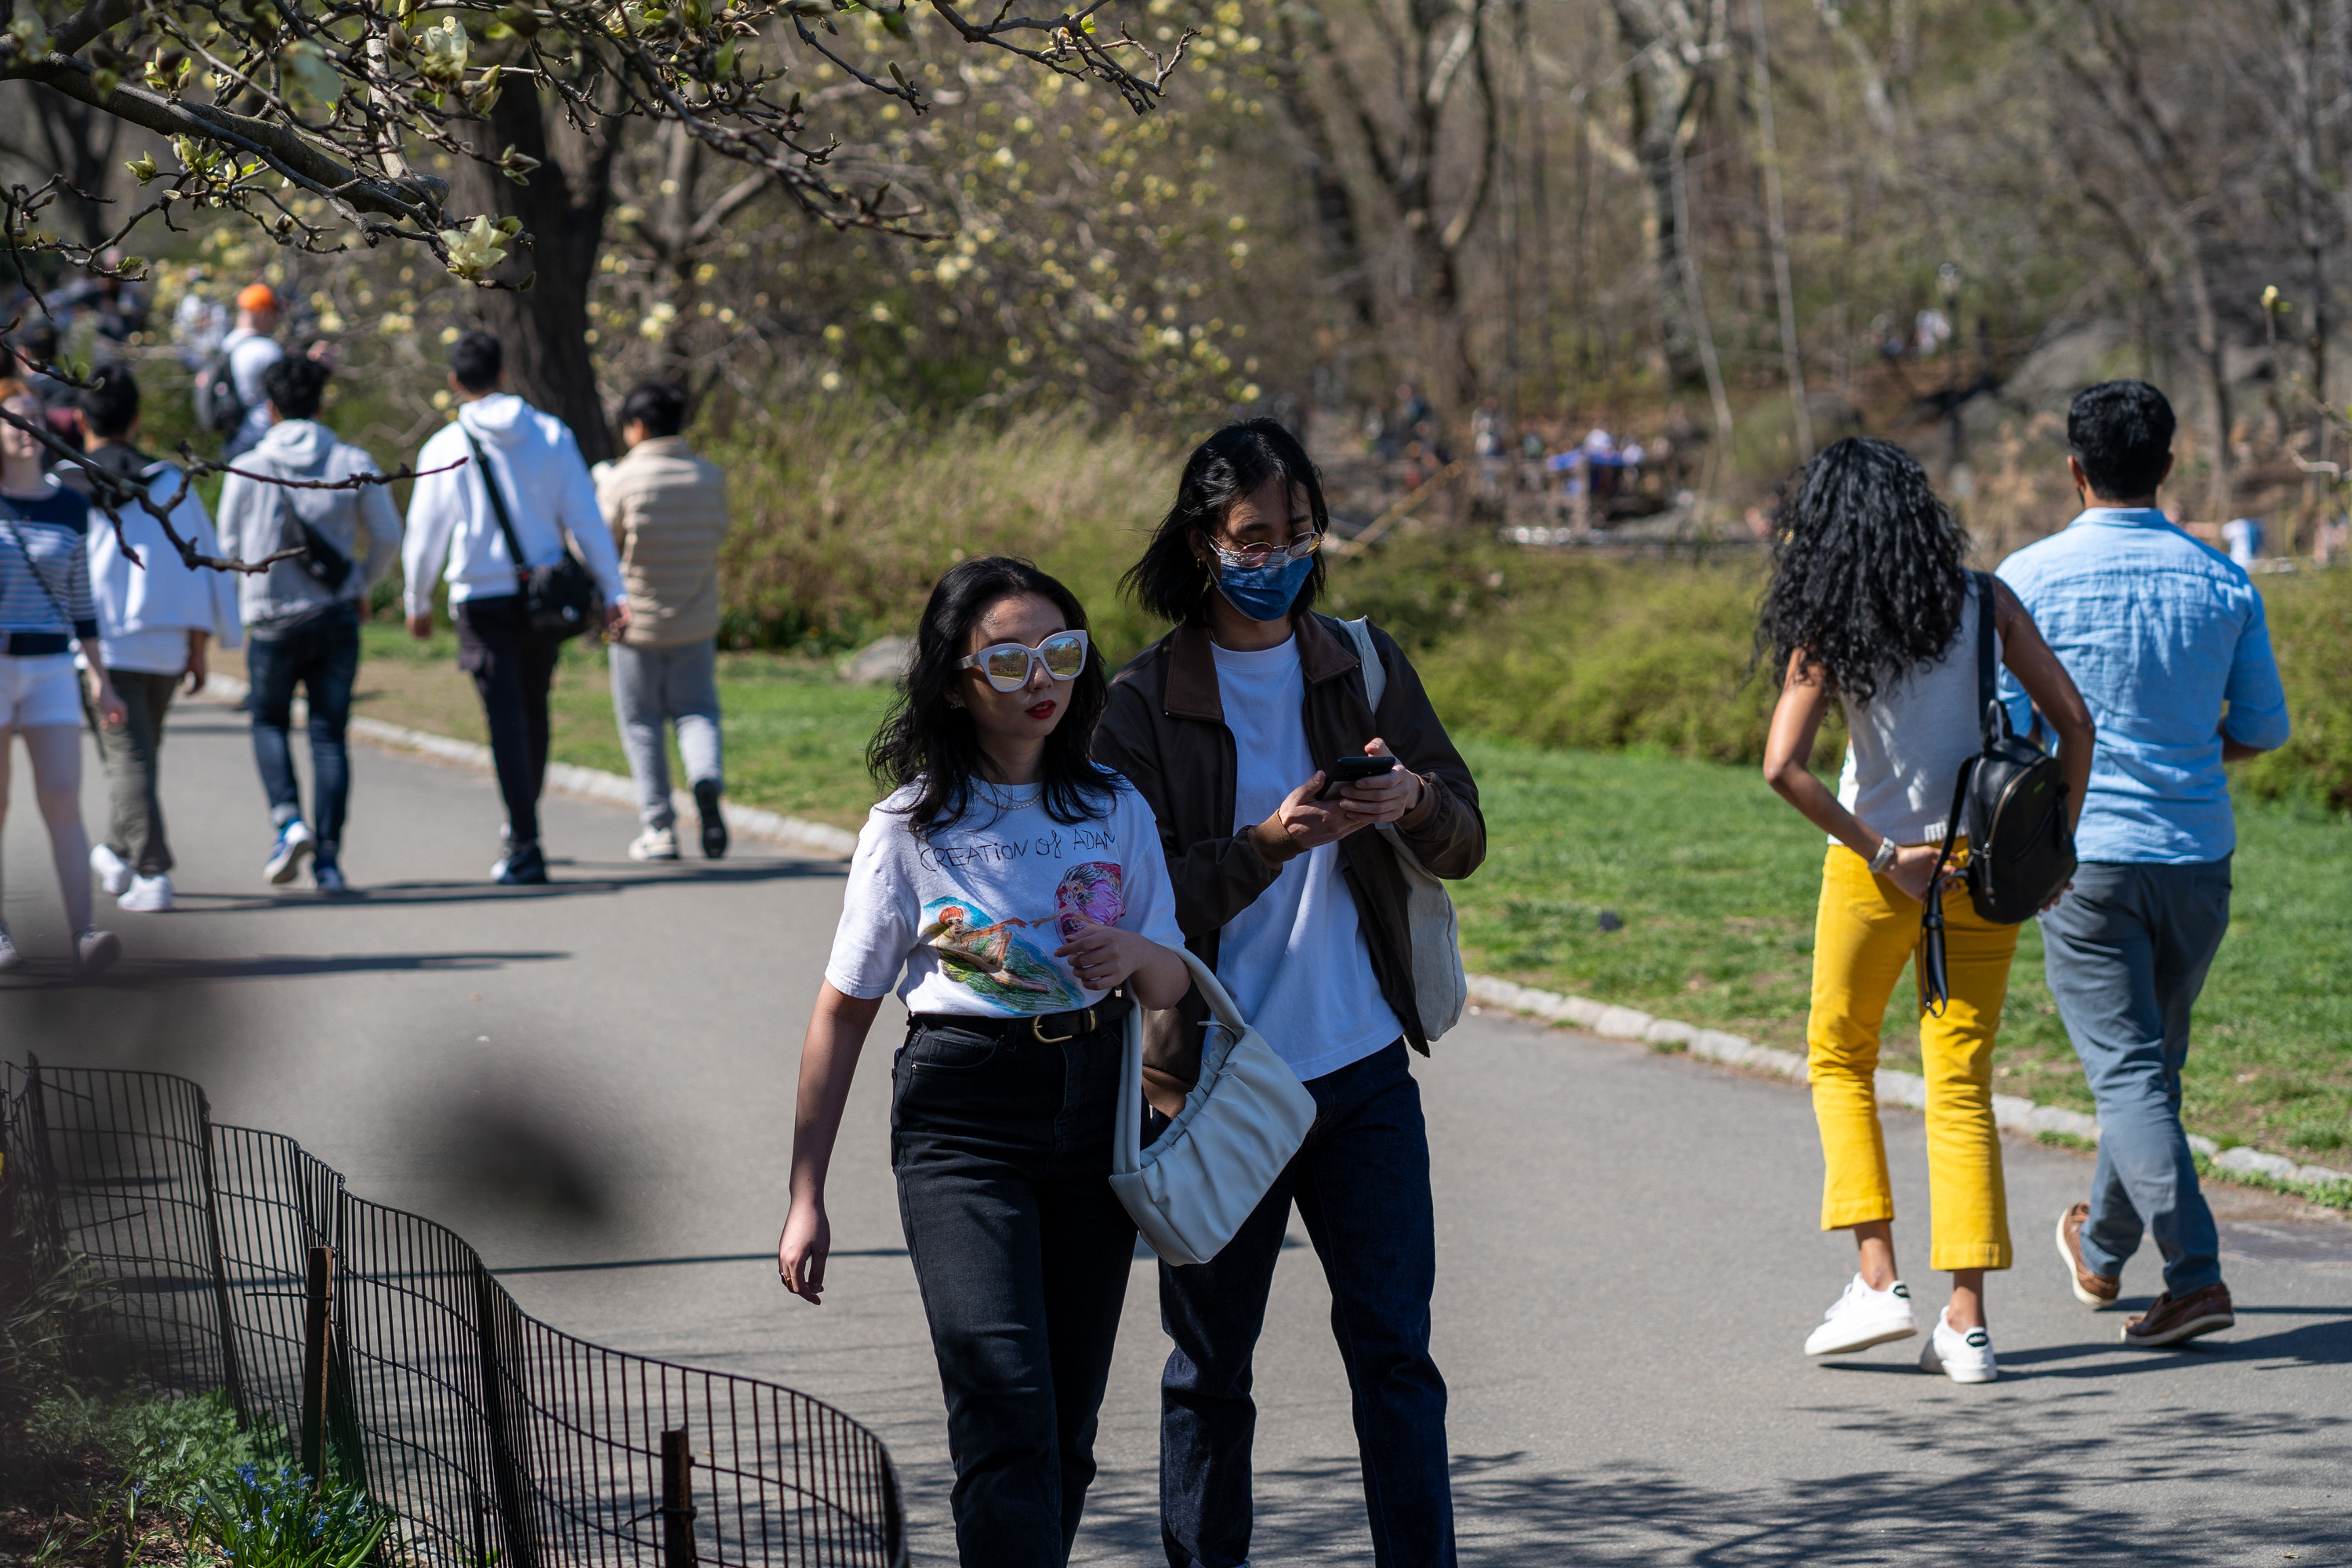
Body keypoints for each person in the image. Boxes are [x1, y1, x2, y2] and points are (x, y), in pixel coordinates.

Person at [1094, 419, 1484, 1568]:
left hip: (1362, 1072)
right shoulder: (1141, 701)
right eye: (1254, 537)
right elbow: (1132, 900)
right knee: (1210, 1374)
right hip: (1214, 1085)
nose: (1281, 557)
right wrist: (1268, 843)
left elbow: (1465, 837)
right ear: (1203, 544)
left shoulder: (1361, 662)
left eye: (1300, 533)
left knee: (1396, 1360)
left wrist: (1413, 799)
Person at [777, 557, 1192, 1567]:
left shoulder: (1114, 805)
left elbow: (1172, 979)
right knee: (1005, 1411)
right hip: (962, 1120)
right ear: (957, 680)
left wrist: (1134, 952)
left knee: (1066, 1429)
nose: (1040, 679)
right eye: (1008, 660)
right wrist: (806, 1195)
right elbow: (841, 1012)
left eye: (1060, 652)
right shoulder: (909, 827)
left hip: (1094, 1114)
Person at [1756, 437, 2095, 1385]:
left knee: (1840, 1054)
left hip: (1877, 872)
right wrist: (2053, 847)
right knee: (1960, 1081)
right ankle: (1968, 1323)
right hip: (1980, 873)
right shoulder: (1986, 601)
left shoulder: (1830, 622)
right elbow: (2075, 722)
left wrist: (1882, 854)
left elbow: (1782, 765)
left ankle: (1877, 1279)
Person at [2000, 381, 2291, 1348]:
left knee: (2129, 1072)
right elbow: (2263, 728)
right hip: (2197, 854)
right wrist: (2190, 754)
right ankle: (2102, 1250)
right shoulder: (2225, 580)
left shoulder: (2025, 580)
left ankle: (2196, 1275)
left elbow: (2006, 733)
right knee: (2150, 1068)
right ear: (2169, 464)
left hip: (2082, 857)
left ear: (2073, 469)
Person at [403, 331, 629, 884]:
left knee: (504, 717)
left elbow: (425, 535)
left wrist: (417, 599)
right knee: (534, 709)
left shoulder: (445, 447)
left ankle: (524, 839)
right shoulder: (550, 434)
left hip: (480, 599)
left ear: (455, 382)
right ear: (503, 373)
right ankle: (523, 825)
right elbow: (584, 518)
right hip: (542, 597)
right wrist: (614, 590)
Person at [216, 356, 402, 894]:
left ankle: (287, 821)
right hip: (335, 615)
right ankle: (329, 862)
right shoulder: (352, 460)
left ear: (270, 407)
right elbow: (388, 535)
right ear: (321, 404)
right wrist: (360, 582)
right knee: (328, 736)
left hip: (272, 619)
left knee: (269, 722)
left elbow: (227, 546)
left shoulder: (248, 467)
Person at [60, 366, 242, 913]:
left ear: (80, 419)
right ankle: (117, 851)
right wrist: (200, 644)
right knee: (139, 756)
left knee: (129, 760)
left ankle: (151, 868)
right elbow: (201, 560)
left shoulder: (63, 487)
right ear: (138, 419)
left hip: (99, 647)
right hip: (164, 642)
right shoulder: (169, 484)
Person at [0, 377, 127, 975]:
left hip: (52, 667)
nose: (26, 429)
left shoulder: (71, 507)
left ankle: (85, 932)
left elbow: (82, 601)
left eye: (33, 417)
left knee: (60, 796)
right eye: (12, 419)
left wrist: (101, 677)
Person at [591, 381, 731, 862]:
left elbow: (595, 546)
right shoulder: (709, 476)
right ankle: (705, 779)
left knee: (642, 722)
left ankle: (660, 828)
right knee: (698, 712)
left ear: (638, 427)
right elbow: (719, 534)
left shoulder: (621, 479)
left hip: (634, 625)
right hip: (695, 621)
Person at [218, 284, 287, 459]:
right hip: (261, 440)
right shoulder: (268, 350)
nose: (277, 319)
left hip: (233, 440)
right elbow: (286, 396)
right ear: (262, 312)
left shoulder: (226, 345)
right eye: (274, 313)